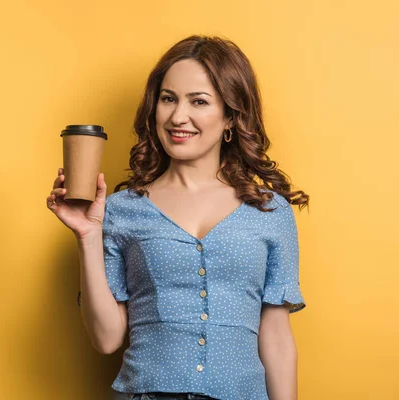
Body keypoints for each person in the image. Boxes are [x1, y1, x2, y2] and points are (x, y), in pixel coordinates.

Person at [46, 35, 309, 400]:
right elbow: (106, 339)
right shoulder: (120, 210)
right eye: (168, 99)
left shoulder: (270, 212)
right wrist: (88, 235)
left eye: (198, 101)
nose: (177, 116)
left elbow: (277, 337)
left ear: (231, 116)